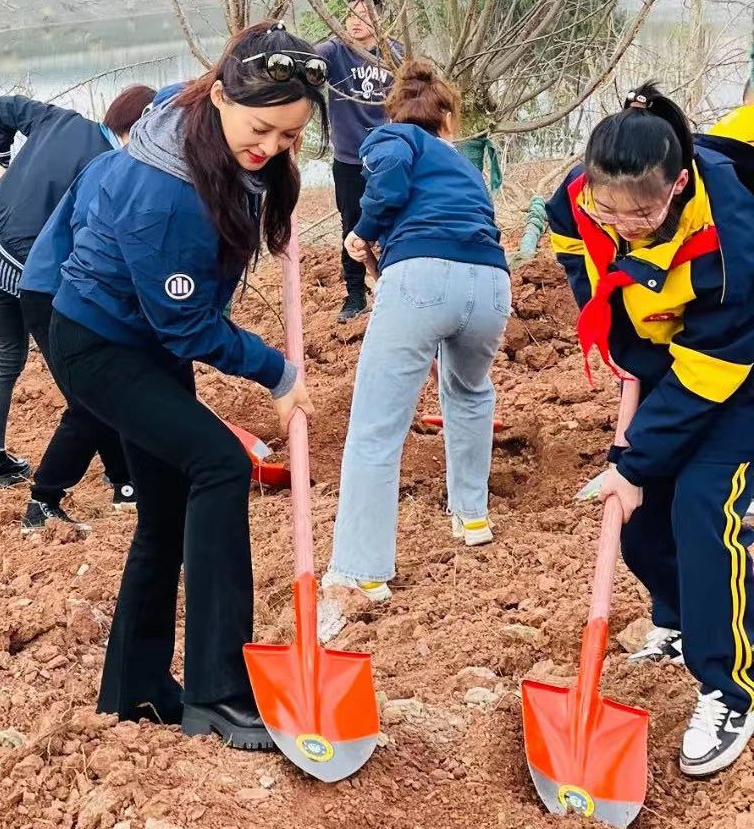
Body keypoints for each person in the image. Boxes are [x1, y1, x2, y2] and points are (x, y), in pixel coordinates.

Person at [46, 22, 320, 750]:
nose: (268, 147)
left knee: (166, 511)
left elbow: (241, 157)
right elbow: (188, 329)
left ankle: (135, 688)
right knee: (219, 464)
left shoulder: (196, 113)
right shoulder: (165, 194)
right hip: (102, 347)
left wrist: (271, 192)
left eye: (290, 138)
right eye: (260, 129)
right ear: (222, 95)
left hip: (135, 338)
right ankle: (221, 693)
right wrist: (277, 372)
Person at [546, 84, 754, 778]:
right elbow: (575, 249)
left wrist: (634, 464)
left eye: (642, 212)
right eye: (610, 209)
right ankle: (679, 614)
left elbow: (713, 368)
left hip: (737, 367)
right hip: (672, 359)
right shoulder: (579, 197)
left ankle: (730, 687)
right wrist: (621, 340)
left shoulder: (729, 232)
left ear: (679, 185)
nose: (623, 222)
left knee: (703, 504)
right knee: (636, 521)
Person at [323, 60, 510, 609]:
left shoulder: (392, 137)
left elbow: (388, 184)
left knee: (377, 427)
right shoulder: (463, 166)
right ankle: (472, 517)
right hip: (491, 284)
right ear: (447, 121)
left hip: (423, 277)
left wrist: (361, 234)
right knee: (470, 392)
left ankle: (363, 569)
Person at [0, 84, 154, 495]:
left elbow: (3, 106)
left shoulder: (61, 119)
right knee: (82, 378)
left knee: (9, 356)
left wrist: (0, 159)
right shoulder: (109, 167)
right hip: (24, 271)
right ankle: (121, 478)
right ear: (137, 129)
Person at [315, 0, 404, 324]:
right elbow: (310, 57)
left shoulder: (394, 55)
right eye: (350, 13)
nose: (355, 20)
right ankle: (355, 295)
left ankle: (393, 286)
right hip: (349, 160)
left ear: (380, 20)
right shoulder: (335, 52)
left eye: (365, 14)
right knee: (351, 225)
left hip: (386, 158)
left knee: (393, 219)